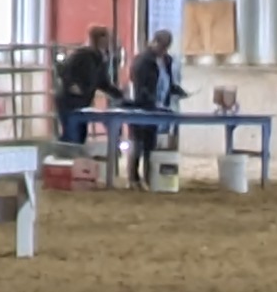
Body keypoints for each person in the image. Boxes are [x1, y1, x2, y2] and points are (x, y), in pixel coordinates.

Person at [53, 19, 123, 161]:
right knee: (72, 135)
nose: (109, 42)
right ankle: (64, 163)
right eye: (107, 38)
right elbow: (63, 69)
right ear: (99, 39)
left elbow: (102, 83)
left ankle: (71, 164)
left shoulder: (99, 58)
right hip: (69, 101)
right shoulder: (83, 54)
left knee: (80, 135)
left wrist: (119, 95)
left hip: (82, 102)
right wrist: (71, 84)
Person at [125, 27, 185, 191]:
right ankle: (133, 178)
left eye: (167, 47)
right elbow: (139, 86)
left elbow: (168, 81)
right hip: (141, 107)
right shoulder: (142, 61)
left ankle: (149, 177)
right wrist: (149, 101)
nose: (164, 50)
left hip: (159, 108)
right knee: (137, 143)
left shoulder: (167, 60)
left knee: (151, 145)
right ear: (155, 42)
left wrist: (176, 90)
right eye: (163, 46)